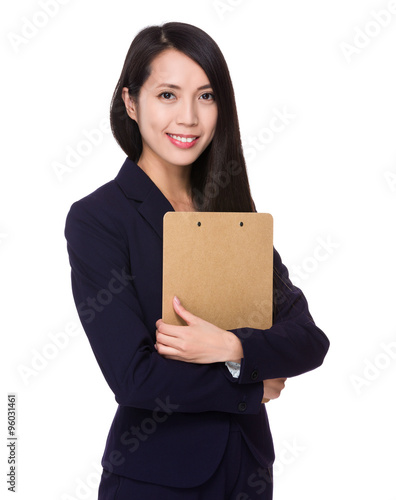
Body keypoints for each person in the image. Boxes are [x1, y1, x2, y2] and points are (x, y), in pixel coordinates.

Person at [64, 21, 330, 500]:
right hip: (156, 481)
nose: (188, 116)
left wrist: (231, 347)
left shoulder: (231, 213)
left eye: (206, 96)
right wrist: (248, 383)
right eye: (168, 95)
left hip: (247, 474)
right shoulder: (98, 219)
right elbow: (135, 377)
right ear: (130, 101)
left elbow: (309, 339)